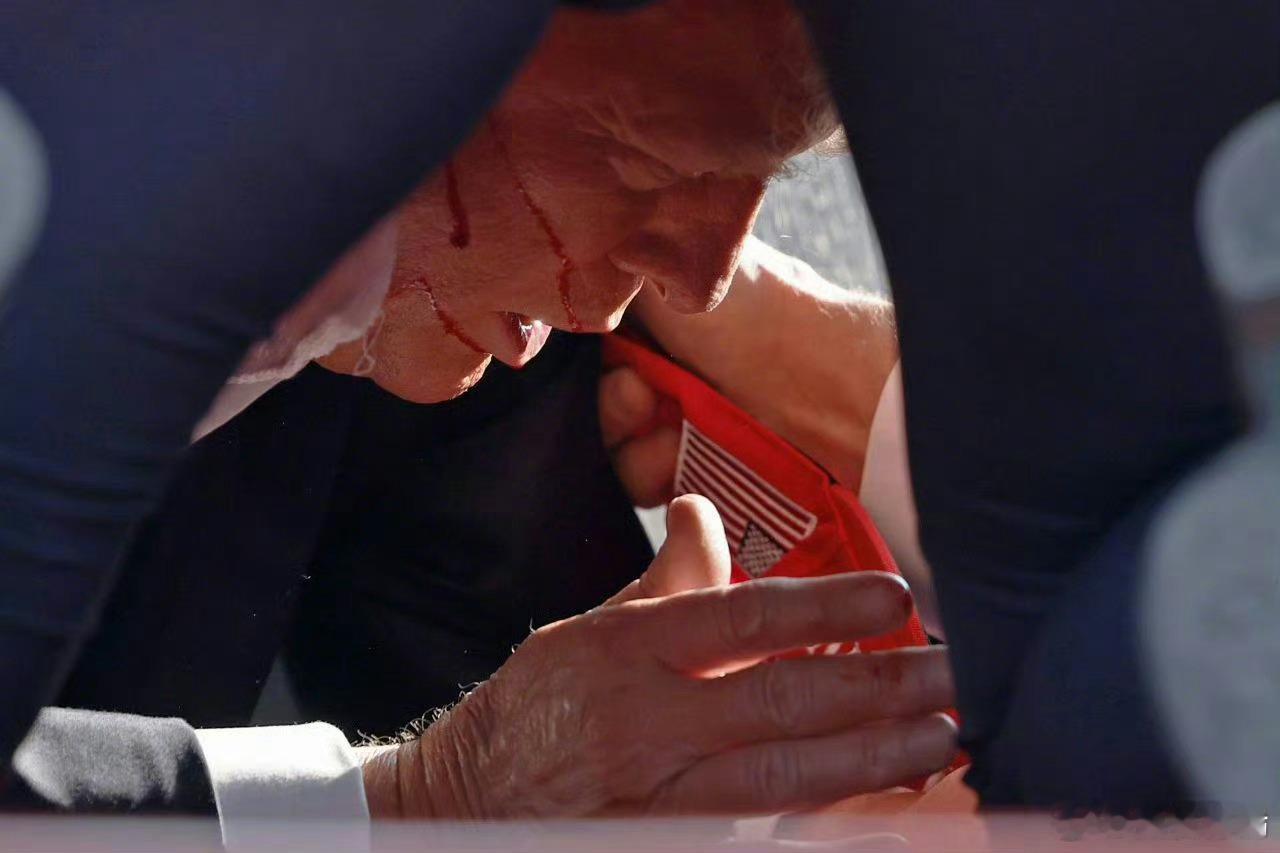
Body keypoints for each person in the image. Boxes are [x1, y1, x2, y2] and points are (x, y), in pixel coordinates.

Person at [0, 0, 958, 829]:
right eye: (642, 164)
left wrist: (848, 394)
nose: (702, 279)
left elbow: (567, 748)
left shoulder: (471, 261)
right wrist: (422, 800)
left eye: (766, 176)